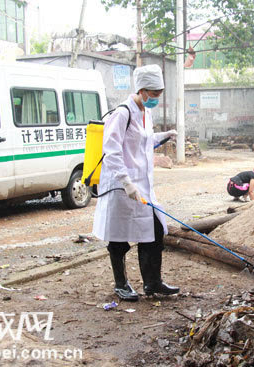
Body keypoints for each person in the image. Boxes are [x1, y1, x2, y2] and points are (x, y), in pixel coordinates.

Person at [93, 64, 179, 302]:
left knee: (154, 231)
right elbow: (111, 151)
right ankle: (121, 284)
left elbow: (143, 142)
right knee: (119, 238)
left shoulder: (145, 112)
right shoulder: (122, 113)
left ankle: (153, 282)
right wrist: (126, 182)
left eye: (159, 95)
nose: (156, 100)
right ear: (142, 90)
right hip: (121, 187)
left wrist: (164, 135)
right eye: (154, 95)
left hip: (142, 186)